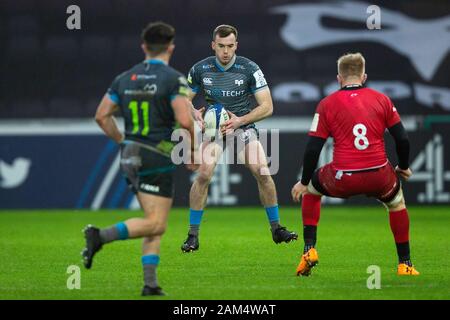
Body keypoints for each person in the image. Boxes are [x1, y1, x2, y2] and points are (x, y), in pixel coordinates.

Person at [81, 21, 198, 296]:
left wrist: (122, 140)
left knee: (152, 218)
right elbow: (184, 119)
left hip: (129, 154)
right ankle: (100, 236)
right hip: (156, 155)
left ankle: (150, 284)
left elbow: (101, 115)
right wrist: (193, 150)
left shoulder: (124, 78)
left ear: (144, 46)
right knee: (157, 223)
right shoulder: (173, 79)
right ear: (171, 47)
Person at [291, 52, 419, 277]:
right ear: (364, 76)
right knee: (397, 204)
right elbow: (403, 139)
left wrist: (303, 182)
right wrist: (403, 166)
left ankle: (309, 250)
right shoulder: (382, 99)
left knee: (311, 190)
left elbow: (313, 148)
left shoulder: (327, 104)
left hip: (343, 176)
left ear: (339, 78)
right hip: (380, 174)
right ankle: (405, 265)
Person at [181, 24, 297, 253]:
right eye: (221, 46)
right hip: (213, 131)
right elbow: (183, 99)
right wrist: (192, 111)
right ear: (213, 45)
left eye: (230, 46)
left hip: (241, 127)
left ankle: (276, 228)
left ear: (236, 45)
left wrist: (239, 121)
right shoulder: (200, 69)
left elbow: (268, 107)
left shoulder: (249, 68)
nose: (226, 51)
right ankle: (192, 235)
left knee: (262, 171)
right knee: (203, 174)